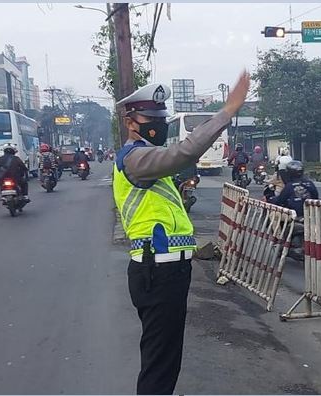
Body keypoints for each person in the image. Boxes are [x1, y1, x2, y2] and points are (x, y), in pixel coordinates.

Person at [113, 70, 249, 395]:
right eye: (151, 117)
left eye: (162, 116)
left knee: (165, 357)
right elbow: (182, 153)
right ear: (131, 122)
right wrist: (226, 112)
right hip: (156, 271)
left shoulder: (148, 160)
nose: (158, 122)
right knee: (160, 363)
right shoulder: (134, 158)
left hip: (167, 269)